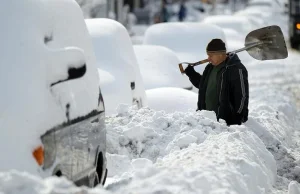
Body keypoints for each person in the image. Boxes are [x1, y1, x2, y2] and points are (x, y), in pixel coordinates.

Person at [184, 39, 249, 126]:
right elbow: (204, 86)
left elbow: (242, 96)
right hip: (206, 122)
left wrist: (236, 118)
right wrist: (191, 74)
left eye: (211, 55)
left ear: (221, 54)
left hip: (225, 123)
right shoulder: (210, 68)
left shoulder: (236, 69)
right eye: (208, 55)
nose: (208, 59)